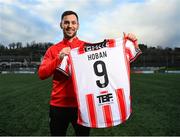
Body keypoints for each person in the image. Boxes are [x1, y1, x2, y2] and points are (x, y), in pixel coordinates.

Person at [38, 10, 90, 136]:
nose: (70, 26)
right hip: (58, 105)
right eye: (66, 22)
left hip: (81, 106)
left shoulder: (87, 47)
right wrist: (58, 58)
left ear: (78, 25)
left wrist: (128, 42)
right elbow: (42, 74)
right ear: (61, 24)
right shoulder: (53, 49)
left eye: (73, 23)